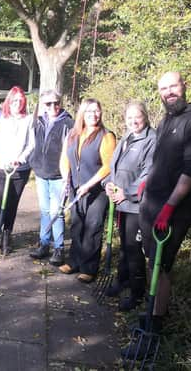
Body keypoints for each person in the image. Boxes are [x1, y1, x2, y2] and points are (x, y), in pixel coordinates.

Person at [129, 72, 191, 338]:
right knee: (153, 261)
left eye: (173, 86)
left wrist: (169, 207)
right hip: (153, 202)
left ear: (184, 86)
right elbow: (160, 157)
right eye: (163, 88)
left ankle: (155, 326)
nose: (168, 92)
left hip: (173, 211)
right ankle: (153, 311)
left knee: (161, 266)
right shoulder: (168, 118)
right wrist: (147, 182)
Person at [102, 101, 156, 311]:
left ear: (145, 116)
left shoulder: (151, 140)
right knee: (124, 245)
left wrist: (128, 193)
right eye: (130, 117)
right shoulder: (127, 137)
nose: (133, 121)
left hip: (136, 205)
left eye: (138, 116)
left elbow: (147, 174)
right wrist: (108, 185)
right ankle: (123, 279)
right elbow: (115, 168)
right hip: (120, 203)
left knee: (134, 249)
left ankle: (137, 292)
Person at [58, 98, 116, 283]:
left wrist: (89, 185)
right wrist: (66, 178)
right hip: (76, 188)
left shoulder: (106, 136)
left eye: (97, 111)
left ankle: (89, 268)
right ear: (82, 113)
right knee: (76, 225)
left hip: (96, 191)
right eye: (89, 111)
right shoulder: (73, 134)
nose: (94, 115)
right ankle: (74, 261)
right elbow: (65, 159)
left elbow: (108, 166)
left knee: (92, 227)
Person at [0, 86, 34, 254]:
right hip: (1, 167)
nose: (17, 103)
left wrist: (20, 159)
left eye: (21, 101)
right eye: (14, 100)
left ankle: (7, 236)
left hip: (20, 169)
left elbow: (32, 144)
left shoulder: (28, 120)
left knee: (13, 205)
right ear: (9, 100)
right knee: (1, 204)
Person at [29, 90, 74, 266]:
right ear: (43, 105)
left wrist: (67, 176)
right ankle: (44, 243)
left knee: (57, 212)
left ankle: (59, 248)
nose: (53, 107)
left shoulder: (68, 124)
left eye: (56, 103)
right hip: (41, 173)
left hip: (58, 175)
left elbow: (69, 152)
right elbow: (33, 144)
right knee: (45, 211)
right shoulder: (39, 121)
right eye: (48, 104)